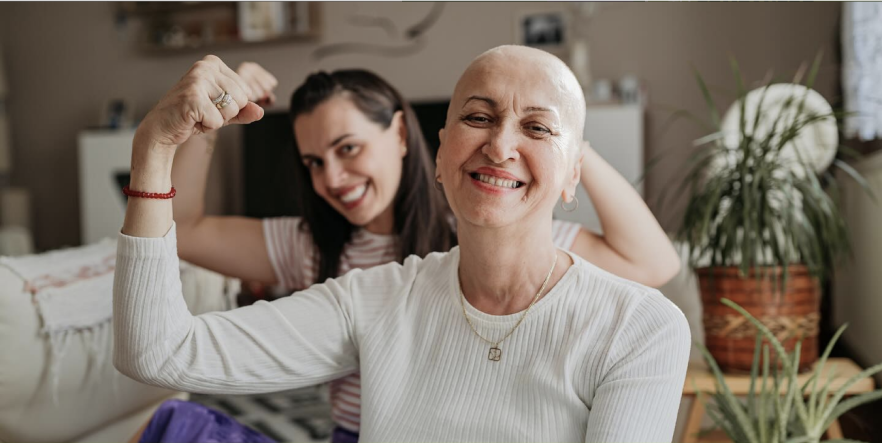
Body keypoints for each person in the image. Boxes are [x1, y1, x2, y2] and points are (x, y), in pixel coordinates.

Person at [115, 45, 691, 443]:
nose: (499, 145)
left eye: (537, 127)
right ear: (440, 154)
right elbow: (156, 350)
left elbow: (651, 260)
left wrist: (565, 149)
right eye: (478, 118)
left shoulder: (639, 328)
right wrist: (156, 146)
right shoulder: (365, 292)